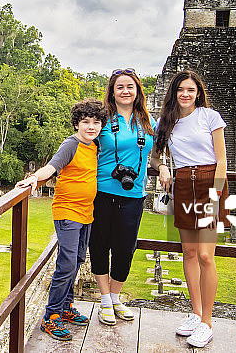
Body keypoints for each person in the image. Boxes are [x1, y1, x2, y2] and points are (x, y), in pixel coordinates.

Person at [15, 98, 107, 341]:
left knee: (76, 260)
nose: (91, 126)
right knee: (66, 264)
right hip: (67, 212)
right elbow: (52, 167)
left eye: (96, 122)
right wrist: (35, 177)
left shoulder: (95, 145)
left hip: (87, 212)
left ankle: (65, 306)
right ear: (77, 124)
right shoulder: (71, 144)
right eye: (86, 122)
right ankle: (52, 316)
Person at [151, 70, 229, 348]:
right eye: (181, 90)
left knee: (207, 255)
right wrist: (161, 167)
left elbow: (222, 160)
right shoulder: (166, 122)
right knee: (190, 253)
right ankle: (196, 314)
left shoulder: (209, 116)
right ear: (174, 93)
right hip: (183, 184)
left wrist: (216, 194)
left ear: (198, 93)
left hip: (210, 183)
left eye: (191, 90)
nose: (185, 94)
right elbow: (155, 154)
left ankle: (207, 321)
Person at [90, 68, 158, 326]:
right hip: (104, 190)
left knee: (125, 249)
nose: (125, 91)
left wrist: (161, 167)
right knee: (99, 245)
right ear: (112, 91)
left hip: (134, 194)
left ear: (137, 90)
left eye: (130, 86)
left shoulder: (147, 122)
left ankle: (116, 297)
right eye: (120, 87)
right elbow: (83, 142)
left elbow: (153, 154)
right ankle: (105, 300)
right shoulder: (103, 119)